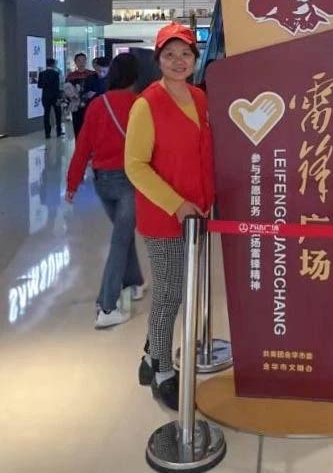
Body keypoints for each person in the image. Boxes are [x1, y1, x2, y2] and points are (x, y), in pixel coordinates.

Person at [125, 22, 214, 411]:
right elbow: (135, 165)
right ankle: (162, 370)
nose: (179, 61)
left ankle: (151, 354)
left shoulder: (199, 97)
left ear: (195, 58)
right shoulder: (146, 104)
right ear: (158, 59)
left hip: (198, 216)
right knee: (169, 293)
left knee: (179, 290)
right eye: (170, 54)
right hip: (165, 217)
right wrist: (176, 204)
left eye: (186, 54)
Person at [65, 53, 145, 328]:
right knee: (121, 239)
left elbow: (83, 146)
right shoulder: (141, 104)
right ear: (136, 76)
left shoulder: (98, 104)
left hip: (102, 182)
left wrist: (72, 183)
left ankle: (133, 282)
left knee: (123, 232)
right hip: (130, 180)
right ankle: (107, 307)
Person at [65, 53, 96, 138]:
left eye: (83, 60)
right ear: (75, 62)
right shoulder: (71, 76)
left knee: (90, 127)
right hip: (76, 105)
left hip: (90, 104)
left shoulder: (91, 74)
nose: (81, 63)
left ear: (86, 61)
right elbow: (67, 89)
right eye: (79, 60)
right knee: (77, 126)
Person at [38, 57, 63, 138]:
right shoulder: (56, 74)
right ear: (53, 64)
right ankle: (59, 131)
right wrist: (59, 97)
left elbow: (39, 85)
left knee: (46, 114)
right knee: (58, 114)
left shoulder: (42, 74)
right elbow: (57, 87)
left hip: (45, 96)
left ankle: (47, 133)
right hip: (55, 96)